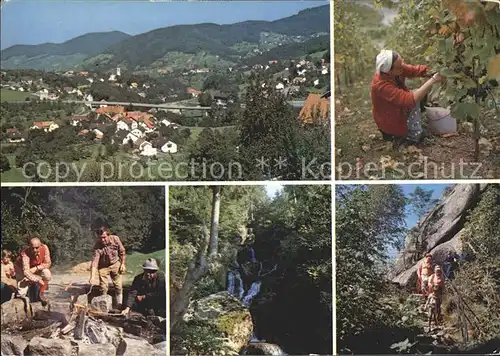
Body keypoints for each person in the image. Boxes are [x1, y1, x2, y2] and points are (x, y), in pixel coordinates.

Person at [371, 49, 446, 144]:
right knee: (415, 98)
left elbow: (415, 70)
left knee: (419, 94)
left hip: (396, 110)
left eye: (402, 62)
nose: (403, 66)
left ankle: (413, 124)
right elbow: (409, 100)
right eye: (399, 66)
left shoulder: (396, 68)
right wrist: (433, 80)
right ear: (389, 72)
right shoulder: (380, 86)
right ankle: (410, 137)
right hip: (390, 121)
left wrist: (436, 70)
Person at [89, 226, 126, 308]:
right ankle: (104, 306)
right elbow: (95, 262)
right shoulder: (97, 246)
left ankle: (119, 305)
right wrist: (92, 277)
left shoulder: (115, 239)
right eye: (100, 238)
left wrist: (123, 264)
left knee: (118, 286)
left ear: (108, 235)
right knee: (103, 287)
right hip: (103, 266)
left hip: (115, 263)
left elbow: (122, 251)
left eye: (104, 237)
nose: (102, 240)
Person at [15, 237, 52, 303]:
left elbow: (48, 263)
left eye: (37, 248)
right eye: (32, 248)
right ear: (29, 246)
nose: (34, 250)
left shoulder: (45, 248)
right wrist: (38, 279)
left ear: (40, 246)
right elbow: (26, 271)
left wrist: (36, 268)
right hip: (21, 268)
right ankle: (20, 301)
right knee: (22, 289)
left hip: (34, 267)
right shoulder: (25, 254)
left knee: (47, 273)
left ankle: (41, 293)